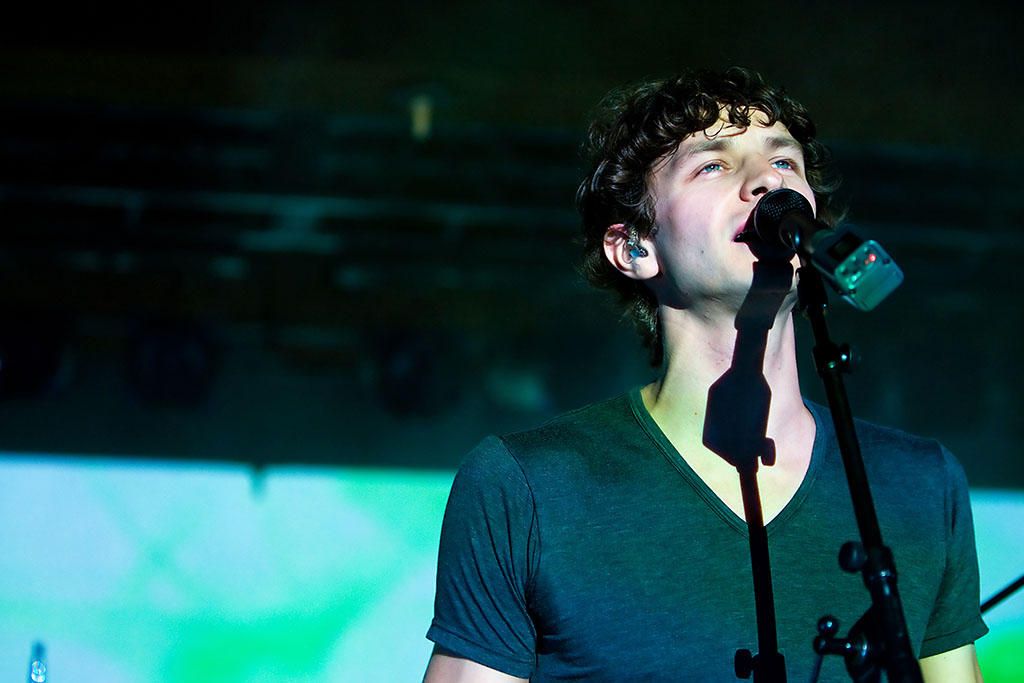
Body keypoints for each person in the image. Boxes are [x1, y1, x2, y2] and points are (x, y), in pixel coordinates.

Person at [423, 67, 988, 682]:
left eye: (785, 163)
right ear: (635, 246)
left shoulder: (920, 484)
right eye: (713, 165)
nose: (767, 181)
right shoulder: (526, 486)